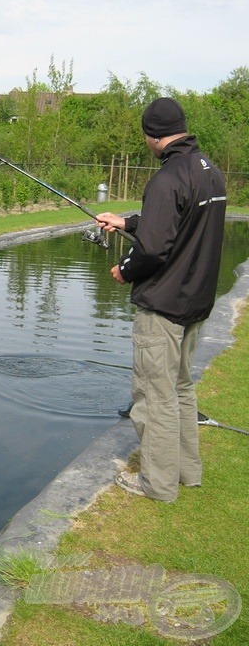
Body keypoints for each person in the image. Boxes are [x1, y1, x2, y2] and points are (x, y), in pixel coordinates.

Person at [96, 97, 227, 502]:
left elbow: (152, 250)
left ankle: (157, 483)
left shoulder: (167, 177)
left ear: (152, 137)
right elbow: (173, 225)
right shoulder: (210, 172)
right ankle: (187, 473)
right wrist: (127, 222)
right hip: (195, 302)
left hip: (164, 306)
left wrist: (124, 269)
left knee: (155, 395)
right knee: (181, 387)